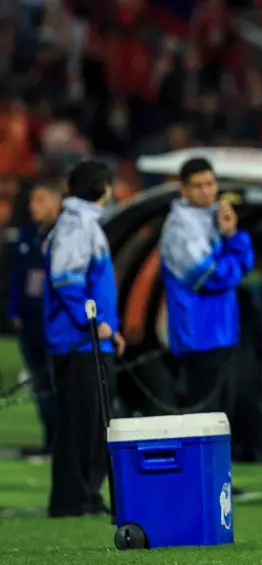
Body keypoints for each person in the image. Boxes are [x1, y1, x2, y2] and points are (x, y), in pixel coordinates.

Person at [44, 160, 125, 518]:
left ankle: (83, 496)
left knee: (90, 423)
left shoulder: (82, 222)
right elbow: (66, 278)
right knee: (81, 424)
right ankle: (73, 499)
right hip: (78, 342)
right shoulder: (77, 225)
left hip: (89, 339)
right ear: (103, 187)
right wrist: (93, 323)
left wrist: (109, 329)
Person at [159, 157, 255, 415]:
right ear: (184, 190)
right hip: (197, 335)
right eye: (198, 186)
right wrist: (234, 260)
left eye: (211, 183)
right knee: (203, 416)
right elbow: (208, 277)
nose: (207, 190)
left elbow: (246, 262)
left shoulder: (213, 218)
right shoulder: (180, 227)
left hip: (221, 331)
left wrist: (232, 234)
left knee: (223, 414)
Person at [9, 184, 62, 457]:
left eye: (40, 200)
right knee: (40, 382)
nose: (33, 207)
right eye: (32, 201)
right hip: (29, 321)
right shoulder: (28, 233)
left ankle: (62, 441)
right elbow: (17, 274)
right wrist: (13, 310)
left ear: (56, 203)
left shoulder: (63, 234)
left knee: (56, 382)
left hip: (53, 321)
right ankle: (49, 438)